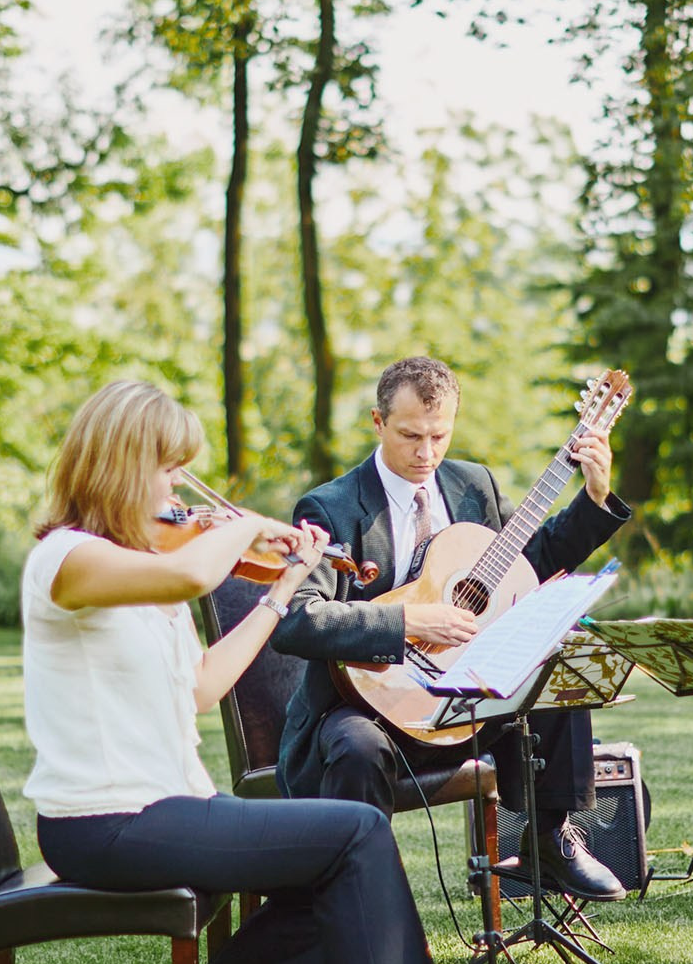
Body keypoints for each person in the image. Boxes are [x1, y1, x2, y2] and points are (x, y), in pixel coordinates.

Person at [21, 380, 476, 964]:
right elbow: (195, 570)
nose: (176, 487)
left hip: (164, 807)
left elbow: (200, 687)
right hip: (104, 821)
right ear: (120, 464)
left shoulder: (139, 569)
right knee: (357, 831)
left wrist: (282, 587)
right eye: (168, 468)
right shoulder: (68, 559)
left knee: (337, 853)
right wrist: (248, 525)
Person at [271, 355, 633, 899]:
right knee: (356, 747)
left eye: (439, 436)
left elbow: (529, 561)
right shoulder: (332, 507)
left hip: (465, 701)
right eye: (410, 435)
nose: (426, 453)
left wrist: (595, 498)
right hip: (372, 709)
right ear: (377, 422)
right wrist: (409, 619)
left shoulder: (473, 486)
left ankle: (549, 838)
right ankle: (359, 889)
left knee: (557, 665)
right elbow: (297, 618)